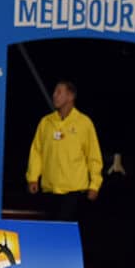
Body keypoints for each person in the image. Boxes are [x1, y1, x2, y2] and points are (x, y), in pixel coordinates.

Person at [26, 81, 102, 222]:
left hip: (73, 192)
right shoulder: (46, 122)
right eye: (54, 92)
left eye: (59, 92)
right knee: (50, 233)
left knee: (65, 232)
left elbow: (93, 156)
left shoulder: (84, 123)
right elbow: (37, 152)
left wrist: (95, 185)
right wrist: (33, 177)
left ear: (70, 96)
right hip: (50, 189)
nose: (54, 95)